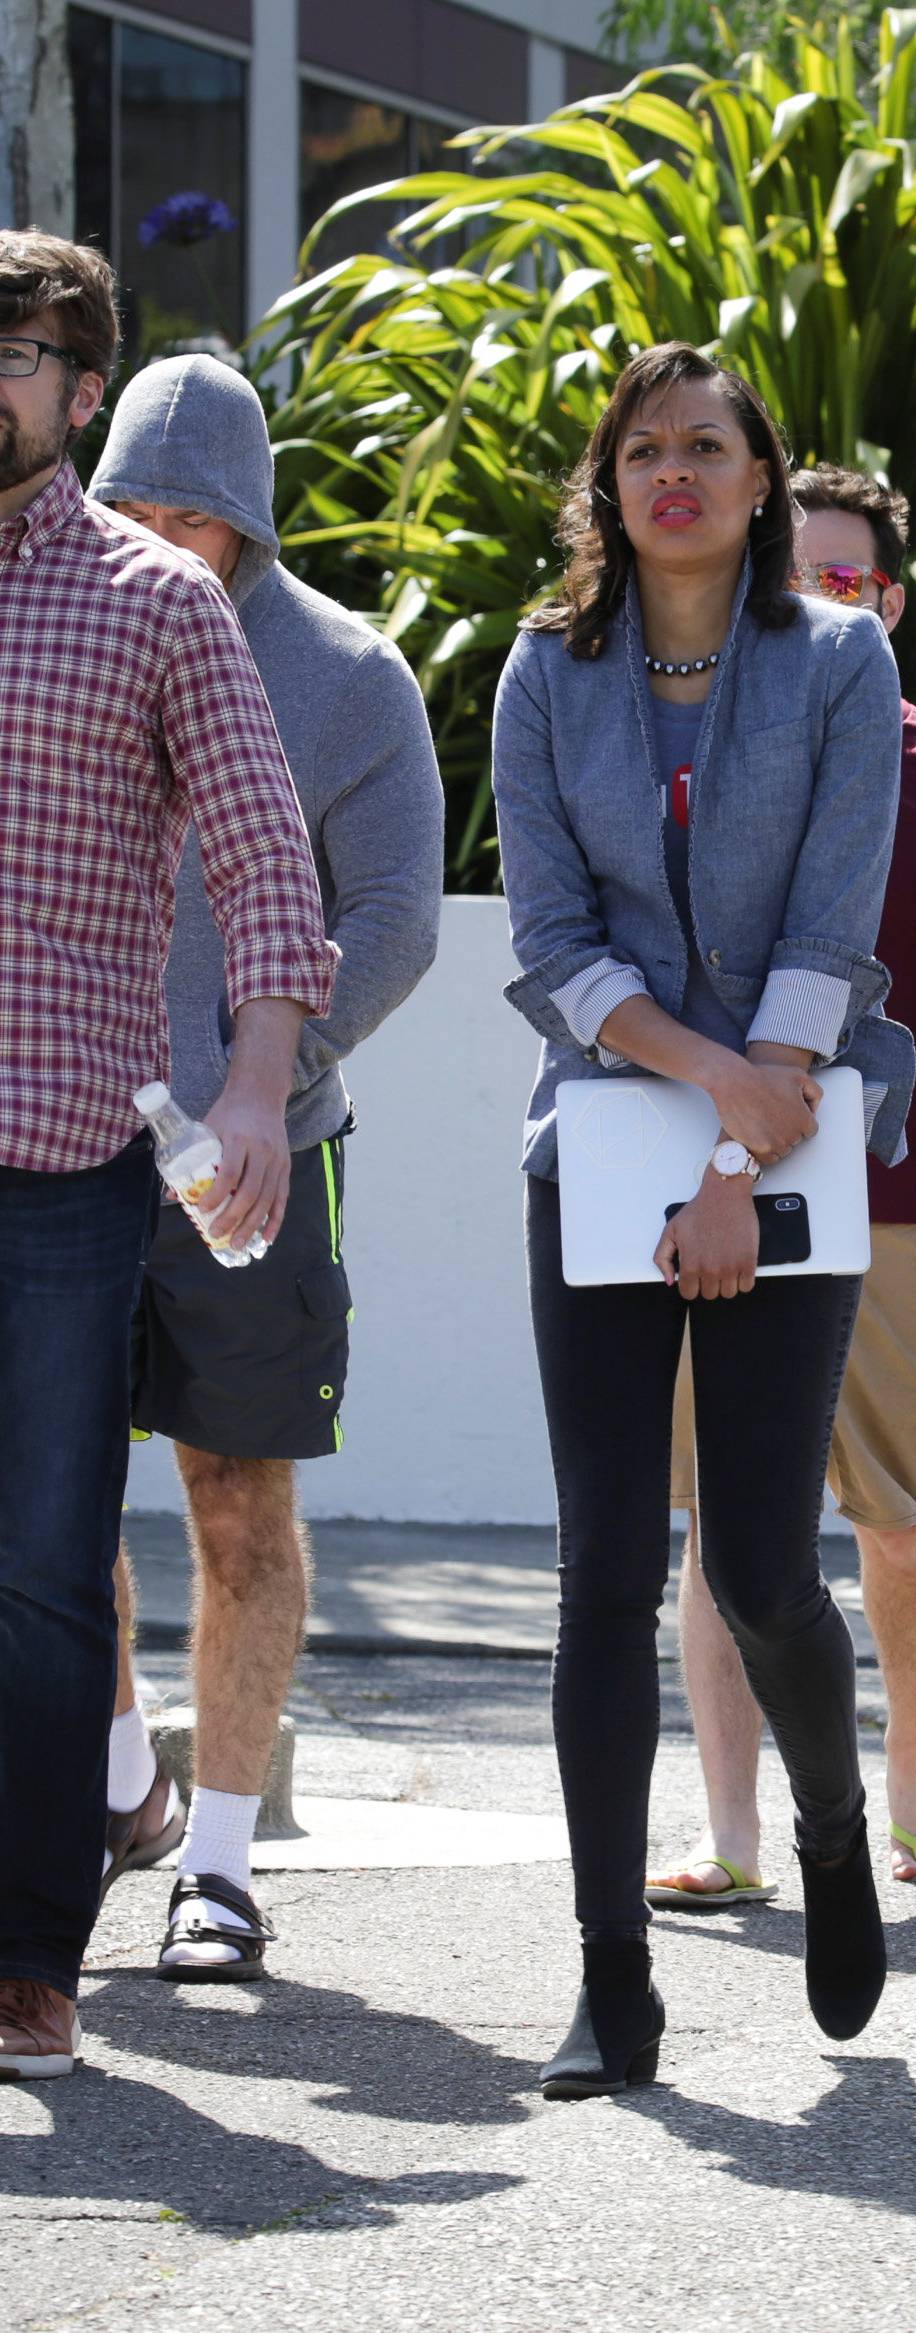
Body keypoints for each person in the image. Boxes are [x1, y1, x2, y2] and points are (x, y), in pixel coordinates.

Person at [493, 344, 913, 2100]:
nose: (674, 473)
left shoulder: (840, 661)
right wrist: (692, 1091)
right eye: (644, 449)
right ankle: (612, 1975)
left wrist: (745, 1155)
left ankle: (828, 1823)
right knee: (604, 1571)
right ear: (612, 485)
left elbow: (835, 911)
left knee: (755, 1568)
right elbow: (546, 936)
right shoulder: (542, 667)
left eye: (708, 447)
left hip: (796, 1126)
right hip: (600, 1145)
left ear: (761, 479)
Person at [0, 233, 335, 2082]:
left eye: (24, 352)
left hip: (60, 1159)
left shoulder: (155, 601)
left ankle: (32, 1952)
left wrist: (265, 1081)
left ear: (76, 387)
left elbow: (270, 862)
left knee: (47, 1566)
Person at [86, 356, 445, 1980]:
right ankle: (120, 1783)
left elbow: (396, 917)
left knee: (239, 1504)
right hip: (55, 1146)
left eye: (191, 513)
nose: (162, 538)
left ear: (249, 521)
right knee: (46, 1505)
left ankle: (218, 1868)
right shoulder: (46, 640)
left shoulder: (350, 678)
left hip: (263, 1158)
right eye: (133, 506)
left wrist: (263, 1078)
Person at [648, 466, 916, 1907]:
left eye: (850, 581)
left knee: (896, 1523)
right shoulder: (698, 746)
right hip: (716, 1199)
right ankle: (732, 1832)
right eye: (795, 578)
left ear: (889, 600)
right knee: (718, 1530)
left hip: (896, 1208)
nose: (822, 603)